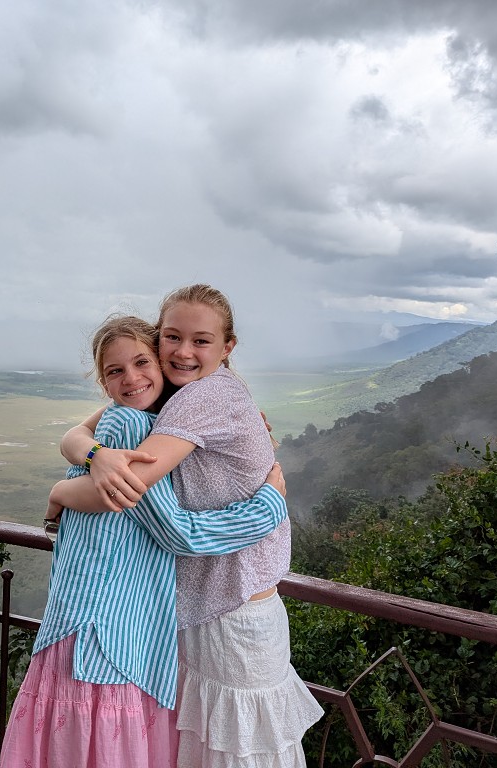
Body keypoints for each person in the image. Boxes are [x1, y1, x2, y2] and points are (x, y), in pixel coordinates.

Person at [0, 315, 288, 768]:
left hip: (86, 616)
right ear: (103, 381)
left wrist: (64, 485)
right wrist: (270, 506)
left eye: (141, 363)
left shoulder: (161, 419)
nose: (131, 378)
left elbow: (75, 438)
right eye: (115, 371)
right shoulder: (132, 426)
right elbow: (177, 530)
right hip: (106, 628)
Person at [59, 285, 323, 767]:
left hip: (232, 611)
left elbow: (127, 487)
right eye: (172, 337)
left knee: (238, 751)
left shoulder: (203, 396)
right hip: (211, 603)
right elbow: (78, 431)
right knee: (212, 747)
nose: (183, 351)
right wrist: (92, 452)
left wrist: (59, 492)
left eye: (201, 341)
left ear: (227, 347)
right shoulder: (180, 392)